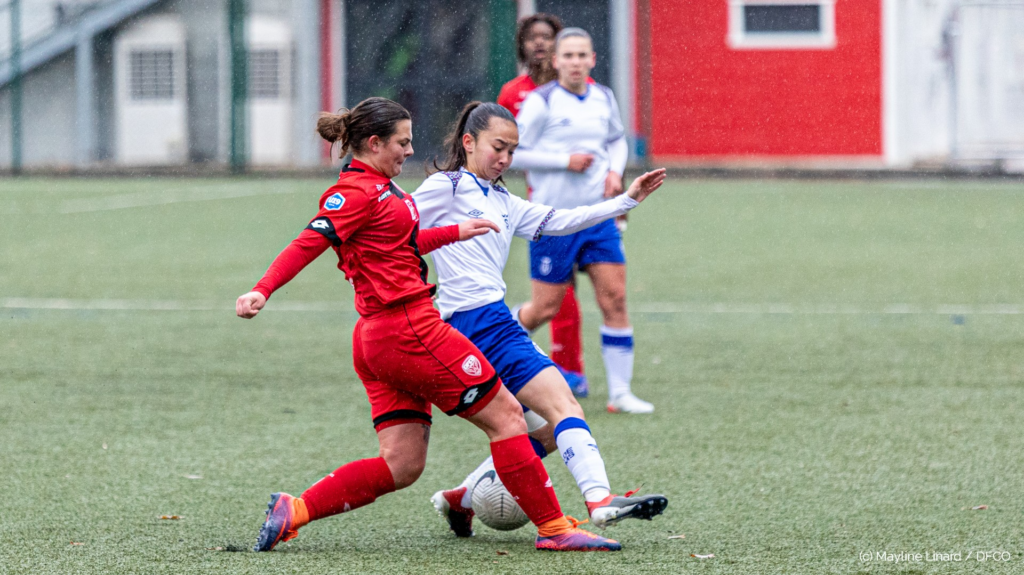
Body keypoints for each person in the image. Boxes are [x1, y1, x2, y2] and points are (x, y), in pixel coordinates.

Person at [235, 96, 621, 553]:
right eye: (402, 142)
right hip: (409, 330)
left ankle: (294, 510)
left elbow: (399, 242)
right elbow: (310, 240)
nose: (409, 150)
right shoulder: (356, 193)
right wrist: (263, 289)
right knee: (507, 417)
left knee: (402, 464)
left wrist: (455, 232)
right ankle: (555, 529)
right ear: (374, 143)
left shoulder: (383, 190)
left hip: (376, 338)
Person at [413, 102, 668, 537]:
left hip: (478, 324)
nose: (505, 159)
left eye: (512, 151)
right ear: (468, 142)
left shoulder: (502, 200)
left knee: (546, 429)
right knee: (564, 405)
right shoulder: (446, 186)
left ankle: (462, 498)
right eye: (498, 147)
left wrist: (625, 200)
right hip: (480, 323)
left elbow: (563, 221)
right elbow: (393, 227)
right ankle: (599, 499)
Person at [510, 28, 653, 414]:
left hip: (598, 216)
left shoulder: (603, 97)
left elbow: (616, 140)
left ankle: (620, 393)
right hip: (552, 220)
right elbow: (514, 154)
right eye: (568, 55)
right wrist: (564, 161)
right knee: (544, 309)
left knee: (615, 298)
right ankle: (493, 340)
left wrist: (614, 171)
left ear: (592, 59)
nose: (575, 62)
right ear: (556, 61)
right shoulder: (540, 102)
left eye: (581, 55)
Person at [497, 14, 592, 397]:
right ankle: (559, 365)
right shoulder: (513, 93)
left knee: (602, 292)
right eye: (531, 37)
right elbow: (502, 149)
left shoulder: (585, 90)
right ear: (522, 45)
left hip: (588, 204)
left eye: (546, 37)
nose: (539, 43)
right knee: (556, 292)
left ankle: (571, 366)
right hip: (541, 204)